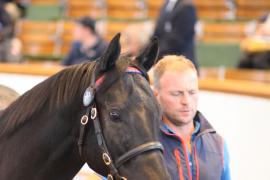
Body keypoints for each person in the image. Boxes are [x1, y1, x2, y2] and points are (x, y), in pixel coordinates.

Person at [150, 55, 230, 180]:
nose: (186, 101)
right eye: (176, 94)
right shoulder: (141, 143)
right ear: (156, 95)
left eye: (192, 92)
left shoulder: (218, 144)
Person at [153, 0, 199, 70]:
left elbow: (178, 39)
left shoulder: (187, 6)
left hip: (182, 65)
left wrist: (156, 53)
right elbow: (158, 32)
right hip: (165, 63)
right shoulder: (167, 4)